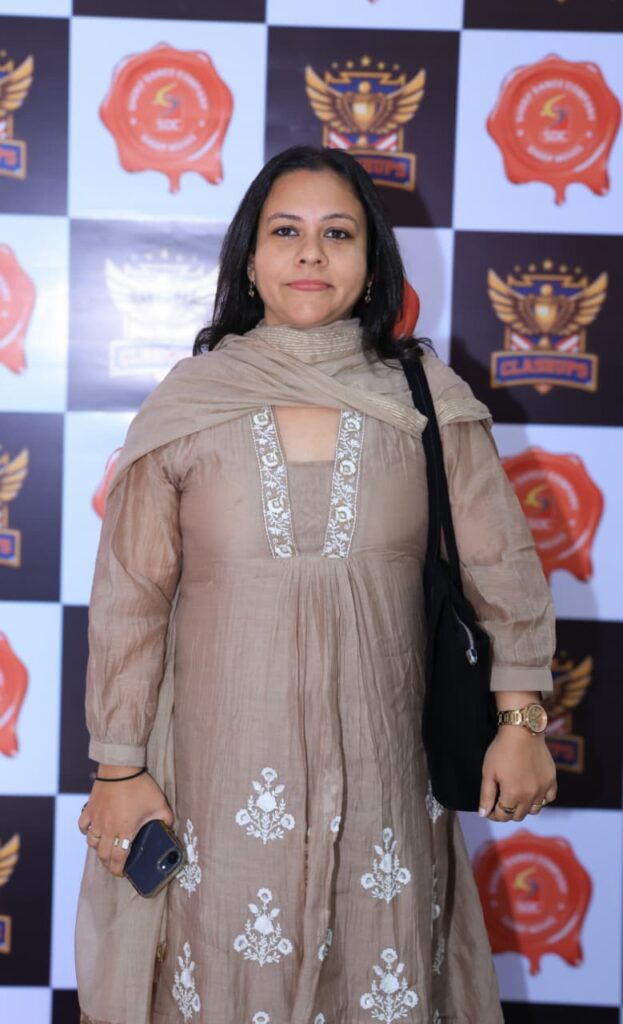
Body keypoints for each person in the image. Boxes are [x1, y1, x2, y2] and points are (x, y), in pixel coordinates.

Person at [76, 145, 557, 1024]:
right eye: (285, 232)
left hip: (385, 773)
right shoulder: (188, 403)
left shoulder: (427, 400)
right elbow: (130, 600)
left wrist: (520, 719)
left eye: (337, 234)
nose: (309, 253)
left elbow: (500, 566)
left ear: (371, 263)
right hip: (215, 781)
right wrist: (120, 768)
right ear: (249, 261)